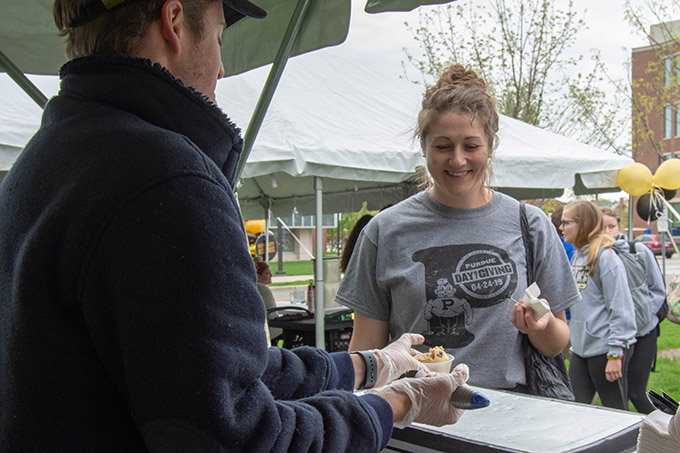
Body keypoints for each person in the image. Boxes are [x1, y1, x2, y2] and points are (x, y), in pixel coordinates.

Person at [0, 1, 470, 450]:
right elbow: (240, 437)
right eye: (221, 38)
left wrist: (364, 366)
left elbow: (208, 371)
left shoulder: (39, 165)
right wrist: (395, 404)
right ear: (174, 21)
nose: (221, 68)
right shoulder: (167, 177)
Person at [335, 63, 580, 392]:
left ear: (490, 147)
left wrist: (541, 324)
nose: (458, 160)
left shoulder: (530, 225)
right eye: (443, 146)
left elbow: (557, 343)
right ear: (424, 148)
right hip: (416, 418)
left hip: (515, 419)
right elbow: (366, 352)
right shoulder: (384, 231)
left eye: (471, 146)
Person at [561, 201, 637, 410]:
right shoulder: (577, 256)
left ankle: (636, 444)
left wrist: (614, 354)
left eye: (566, 222)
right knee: (575, 408)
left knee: (616, 411)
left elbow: (621, 308)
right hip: (581, 349)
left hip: (606, 350)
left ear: (583, 224)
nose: (561, 228)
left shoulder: (607, 257)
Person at [601, 207, 666, 413]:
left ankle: (667, 434)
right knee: (618, 393)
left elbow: (657, 290)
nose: (607, 231)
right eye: (602, 227)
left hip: (643, 331)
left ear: (620, 226)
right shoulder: (595, 256)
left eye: (611, 226)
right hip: (615, 337)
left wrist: (643, 316)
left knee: (636, 393)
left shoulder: (637, 250)